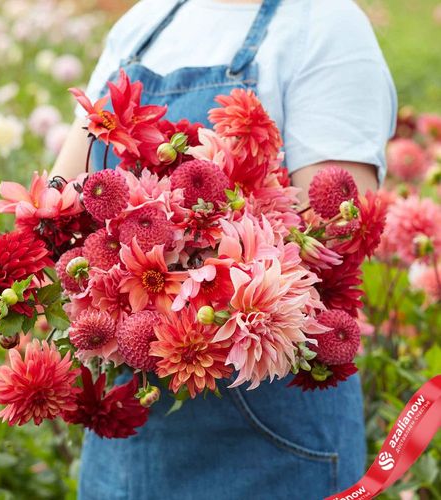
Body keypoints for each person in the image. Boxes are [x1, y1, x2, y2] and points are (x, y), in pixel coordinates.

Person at [51, 0, 397, 498]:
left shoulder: (324, 24)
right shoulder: (144, 21)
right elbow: (63, 200)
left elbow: (331, 242)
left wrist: (184, 254)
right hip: (127, 437)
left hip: (268, 440)